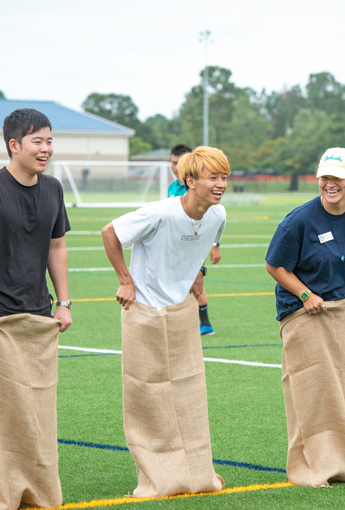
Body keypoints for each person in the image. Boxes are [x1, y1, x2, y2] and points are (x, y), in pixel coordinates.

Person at [0, 108, 72, 510]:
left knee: (37, 414)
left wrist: (64, 302)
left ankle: (36, 492)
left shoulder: (53, 189)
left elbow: (57, 247)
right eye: (38, 141)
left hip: (39, 318)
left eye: (50, 141)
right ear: (14, 145)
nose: (46, 149)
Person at [102, 146, 230, 498]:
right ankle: (160, 475)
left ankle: (196, 472)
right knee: (149, 394)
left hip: (182, 311)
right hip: (144, 311)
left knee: (189, 392)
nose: (220, 184)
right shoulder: (160, 212)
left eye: (224, 177)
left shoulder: (218, 215)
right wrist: (126, 280)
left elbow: (204, 243)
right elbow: (109, 232)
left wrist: (198, 272)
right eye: (212, 177)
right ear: (189, 181)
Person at [265, 147, 345, 488]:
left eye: (337, 178)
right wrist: (306, 294)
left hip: (342, 315)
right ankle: (314, 467)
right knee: (313, 393)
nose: (330, 184)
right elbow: (275, 265)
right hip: (304, 314)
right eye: (324, 178)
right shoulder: (300, 220)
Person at [168, 143, 221, 335]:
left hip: (195, 242)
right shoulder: (173, 187)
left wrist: (215, 246)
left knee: (196, 281)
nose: (175, 167)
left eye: (178, 162)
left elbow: (213, 217)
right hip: (176, 245)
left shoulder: (196, 186)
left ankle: (205, 324)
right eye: (172, 163)